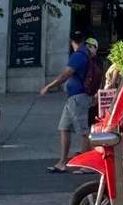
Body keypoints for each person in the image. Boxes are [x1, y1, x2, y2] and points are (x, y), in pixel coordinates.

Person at [40, 32, 94, 173]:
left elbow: (65, 75)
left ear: (71, 41)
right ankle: (63, 162)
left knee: (84, 132)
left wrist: (49, 86)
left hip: (78, 98)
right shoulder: (85, 53)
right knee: (64, 127)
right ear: (82, 40)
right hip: (73, 98)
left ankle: (87, 165)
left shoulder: (78, 55)